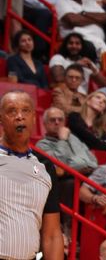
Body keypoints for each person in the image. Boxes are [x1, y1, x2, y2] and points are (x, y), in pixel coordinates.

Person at [0, 91, 63, 260]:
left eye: (25, 111)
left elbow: (52, 234)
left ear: (34, 118)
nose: (19, 116)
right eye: (11, 111)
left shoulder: (45, 167)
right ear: (1, 119)